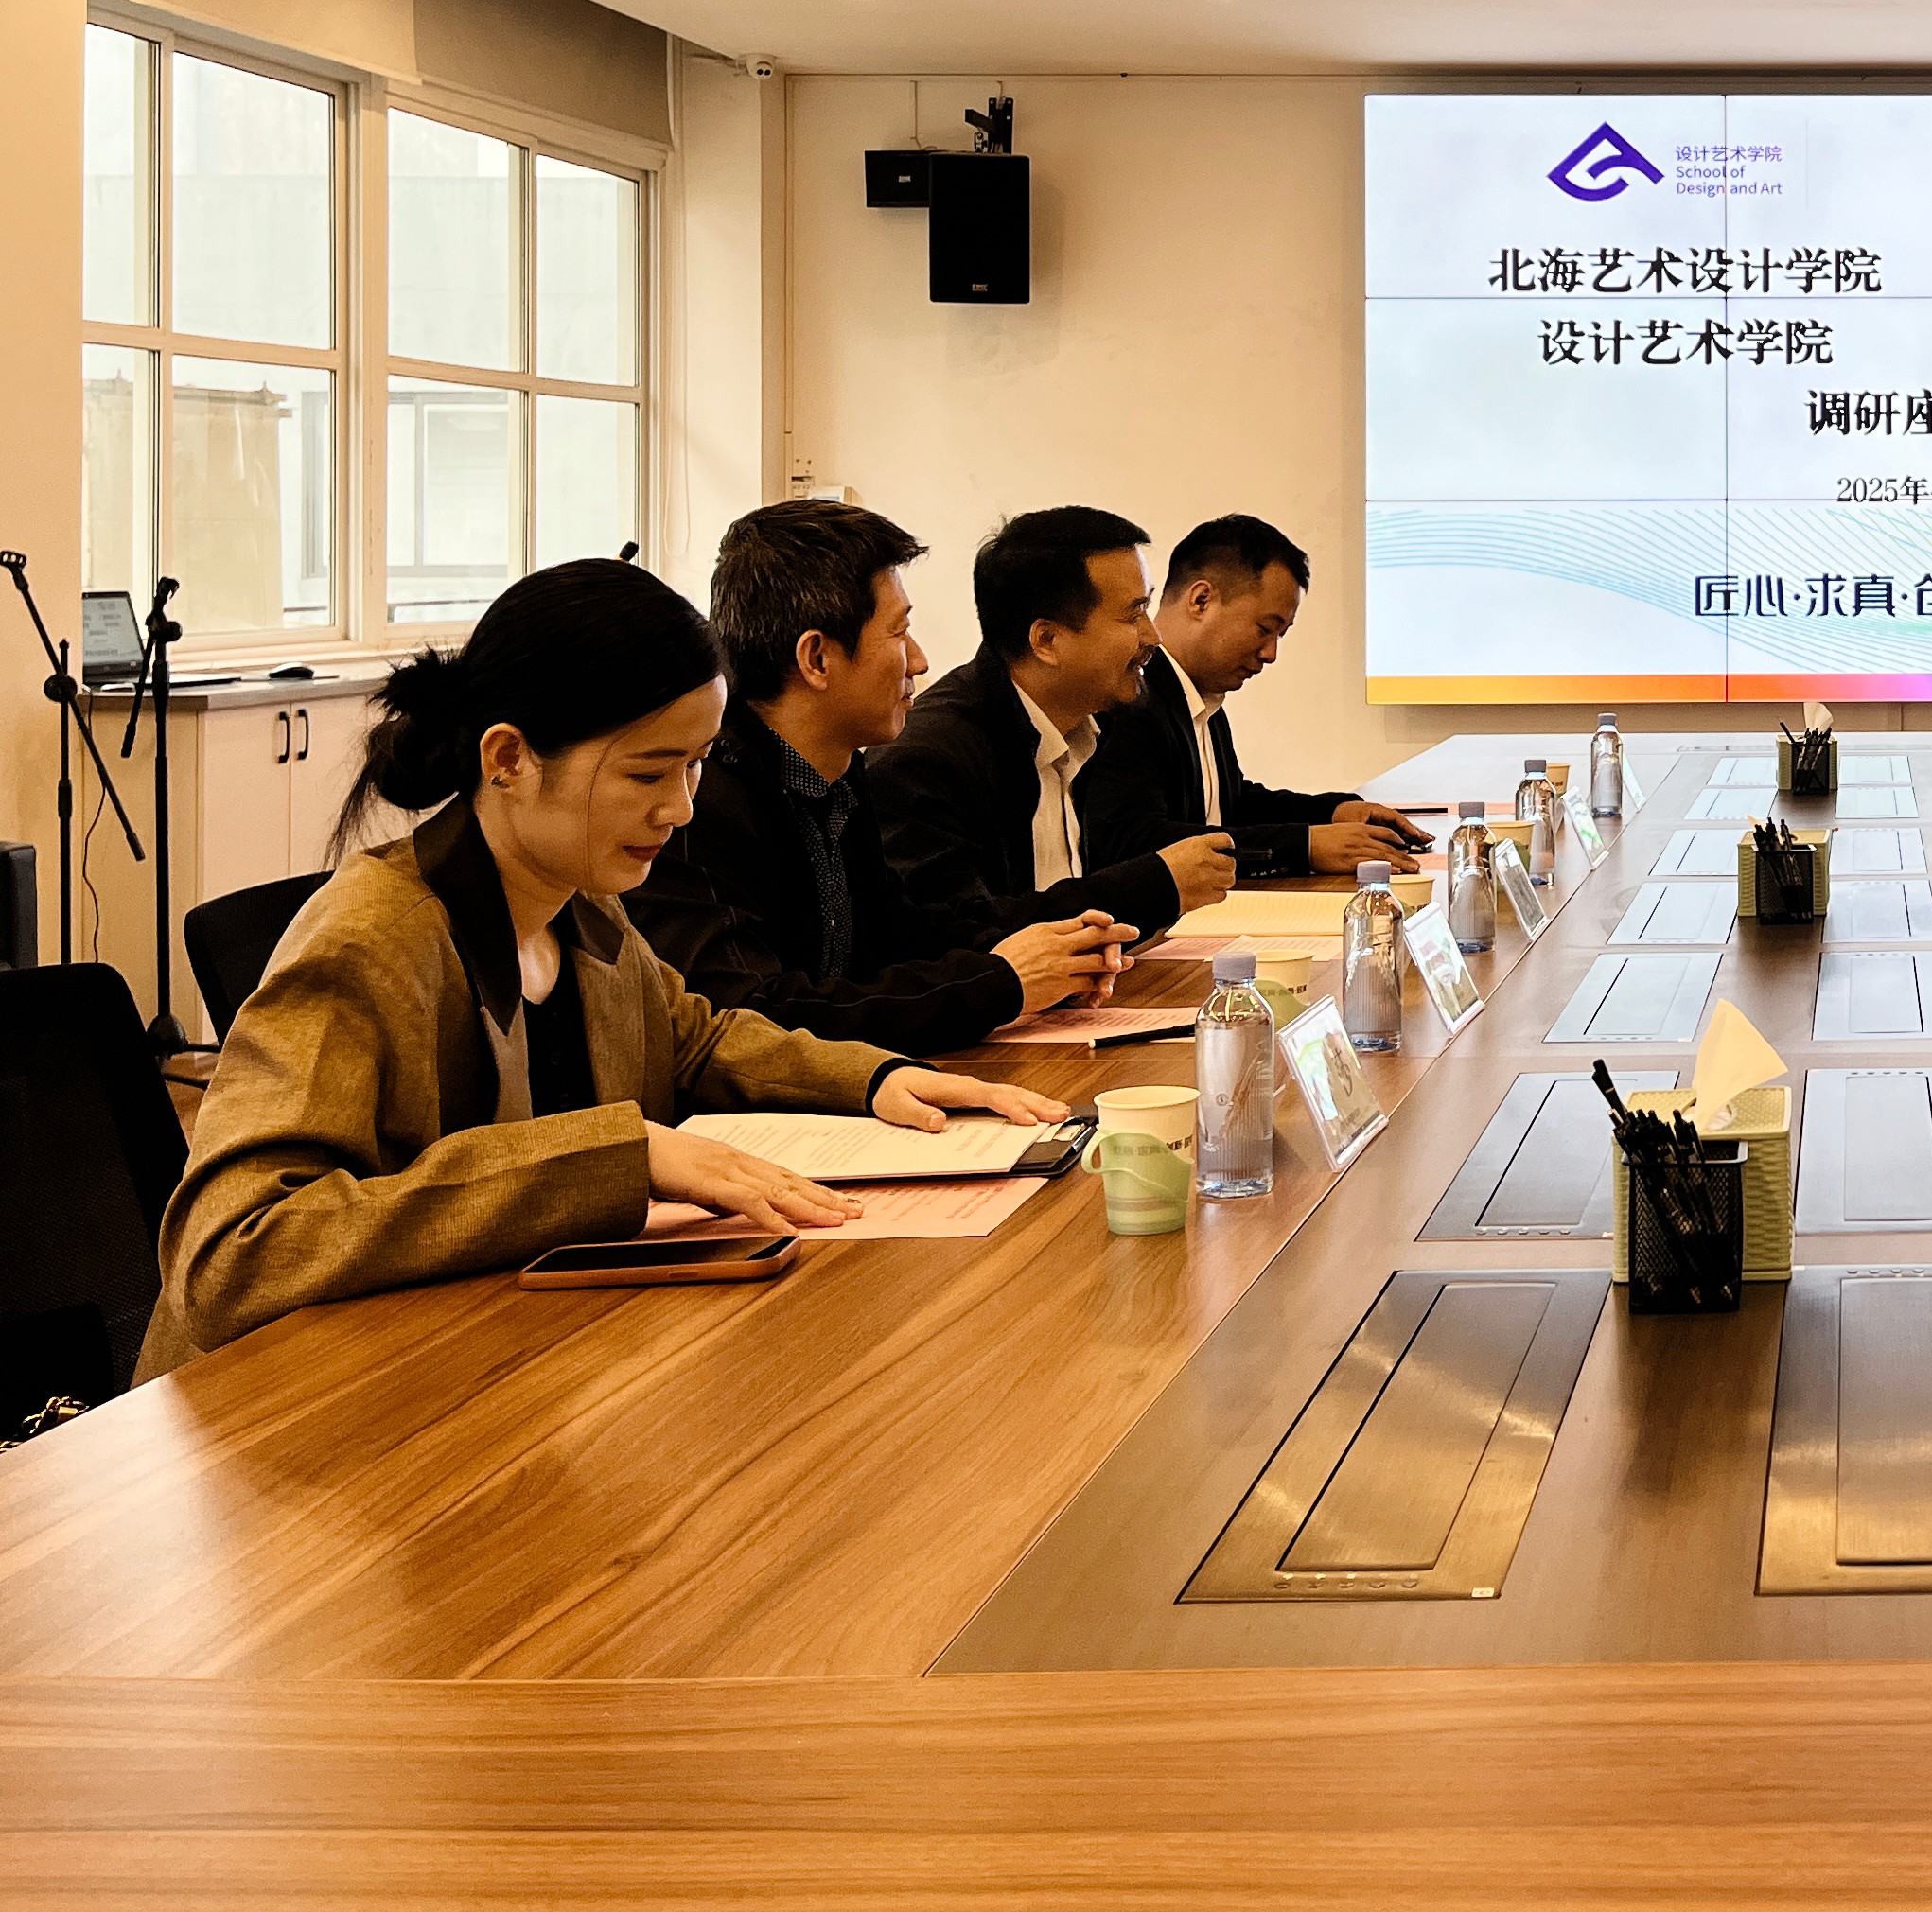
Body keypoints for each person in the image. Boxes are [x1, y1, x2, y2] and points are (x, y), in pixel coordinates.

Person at [138, 561, 1065, 1378]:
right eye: (647, 774)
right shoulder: (370, 941)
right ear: (509, 758)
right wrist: (621, 1157)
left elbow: (691, 1037)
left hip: (493, 1364)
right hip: (291, 1426)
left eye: (696, 766)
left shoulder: (577, 896)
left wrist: (877, 1081)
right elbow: (235, 1254)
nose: (682, 808)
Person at [628, 501, 1133, 1056]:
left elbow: (899, 934)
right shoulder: (698, 801)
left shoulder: (836, 772)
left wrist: (1056, 954)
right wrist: (1000, 982)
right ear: (817, 658)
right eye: (899, 632)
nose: (919, 660)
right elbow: (755, 1013)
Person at [870, 507, 1237, 946]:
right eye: (1133, 614)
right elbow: (959, 937)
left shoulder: (1097, 724)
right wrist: (1153, 885)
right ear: (1046, 640)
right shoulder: (928, 760)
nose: (1152, 636)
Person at [1082, 514, 1426, 883]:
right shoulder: (1132, 700)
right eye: (1265, 629)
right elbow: (1134, 841)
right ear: (1201, 600)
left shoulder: (1200, 697)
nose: (1270, 653)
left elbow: (1230, 805)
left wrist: (1335, 812)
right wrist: (1304, 846)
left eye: (1280, 635)